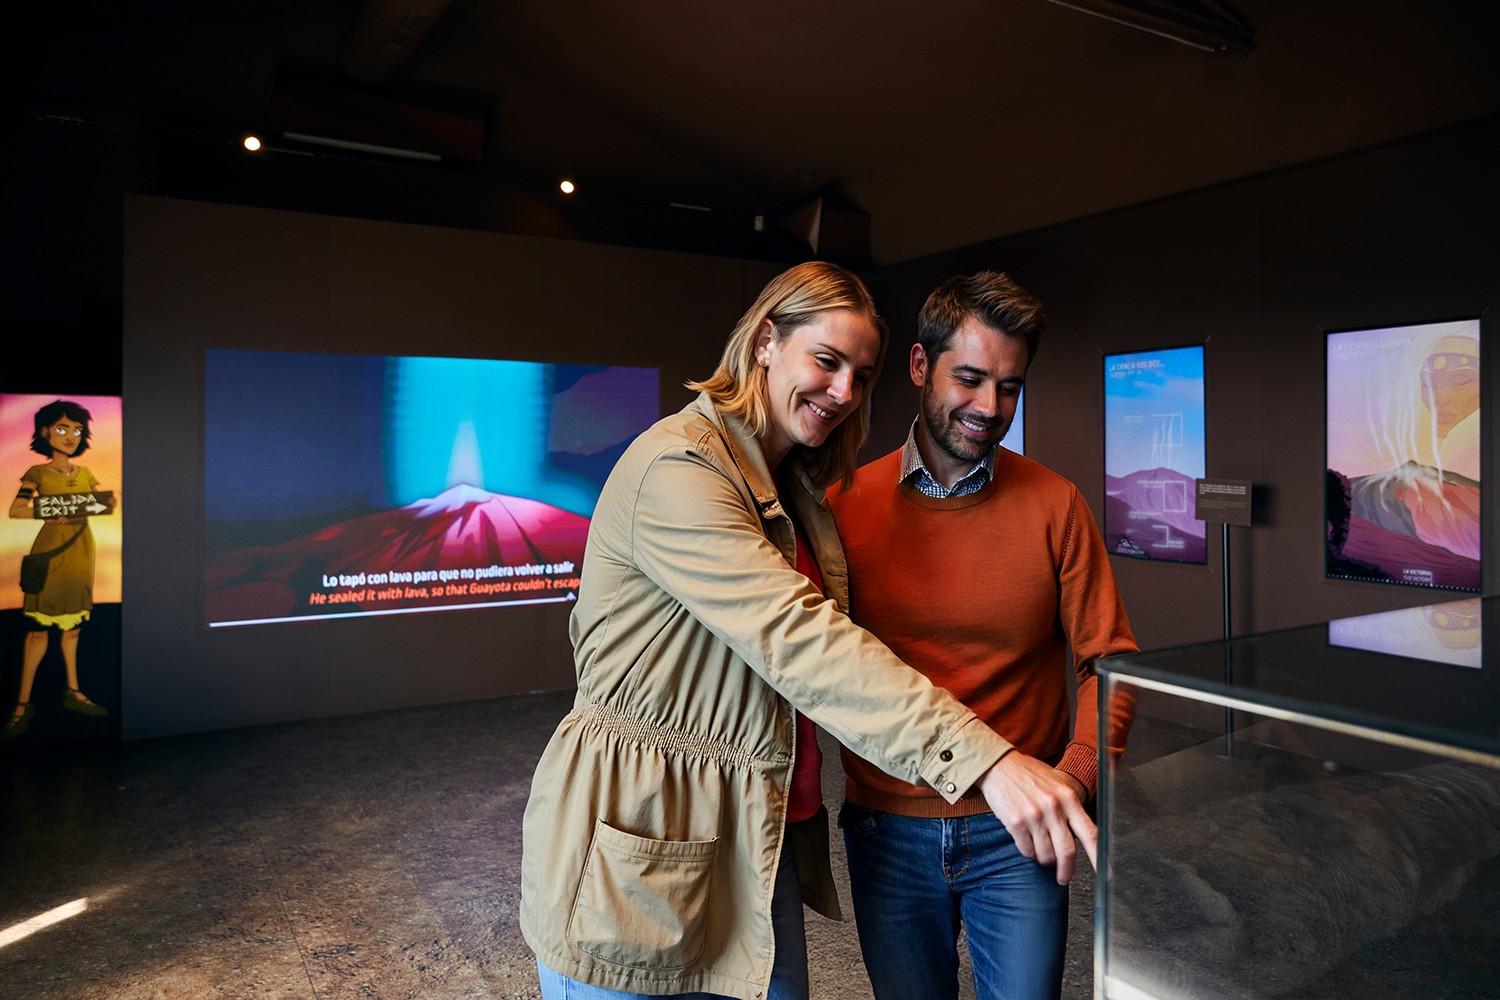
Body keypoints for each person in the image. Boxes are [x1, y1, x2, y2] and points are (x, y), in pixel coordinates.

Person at [520, 262, 1098, 1000]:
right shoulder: (679, 467)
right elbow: (799, 639)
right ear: (765, 341)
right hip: (643, 838)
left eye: (861, 375)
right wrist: (990, 762)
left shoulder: (792, 486)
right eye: (826, 361)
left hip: (755, 838)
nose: (844, 392)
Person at [827, 271, 1138, 1000]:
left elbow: (1110, 662)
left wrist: (1073, 777)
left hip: (1018, 831)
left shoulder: (1057, 505)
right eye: (969, 379)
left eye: (1009, 387)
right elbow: (820, 666)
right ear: (919, 365)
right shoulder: (841, 505)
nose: (990, 407)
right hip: (886, 828)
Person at [5, 400, 110, 739]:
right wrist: (50, 511)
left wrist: (97, 505)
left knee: (73, 629)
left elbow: (101, 503)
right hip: (51, 553)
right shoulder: (37, 473)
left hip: (80, 551)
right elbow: (17, 509)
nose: (70, 437)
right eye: (62, 429)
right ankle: (22, 706)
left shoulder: (85, 473)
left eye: (77, 430)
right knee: (38, 631)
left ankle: (74, 693)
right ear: (45, 432)